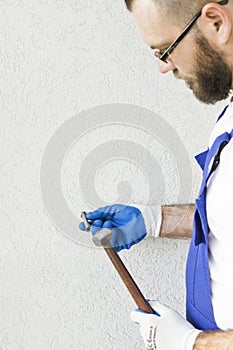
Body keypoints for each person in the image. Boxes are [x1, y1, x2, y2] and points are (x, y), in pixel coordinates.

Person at [80, 0, 233, 348]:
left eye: (166, 49)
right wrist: (152, 219)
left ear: (215, 22)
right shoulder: (229, 116)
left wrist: (191, 343)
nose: (165, 67)